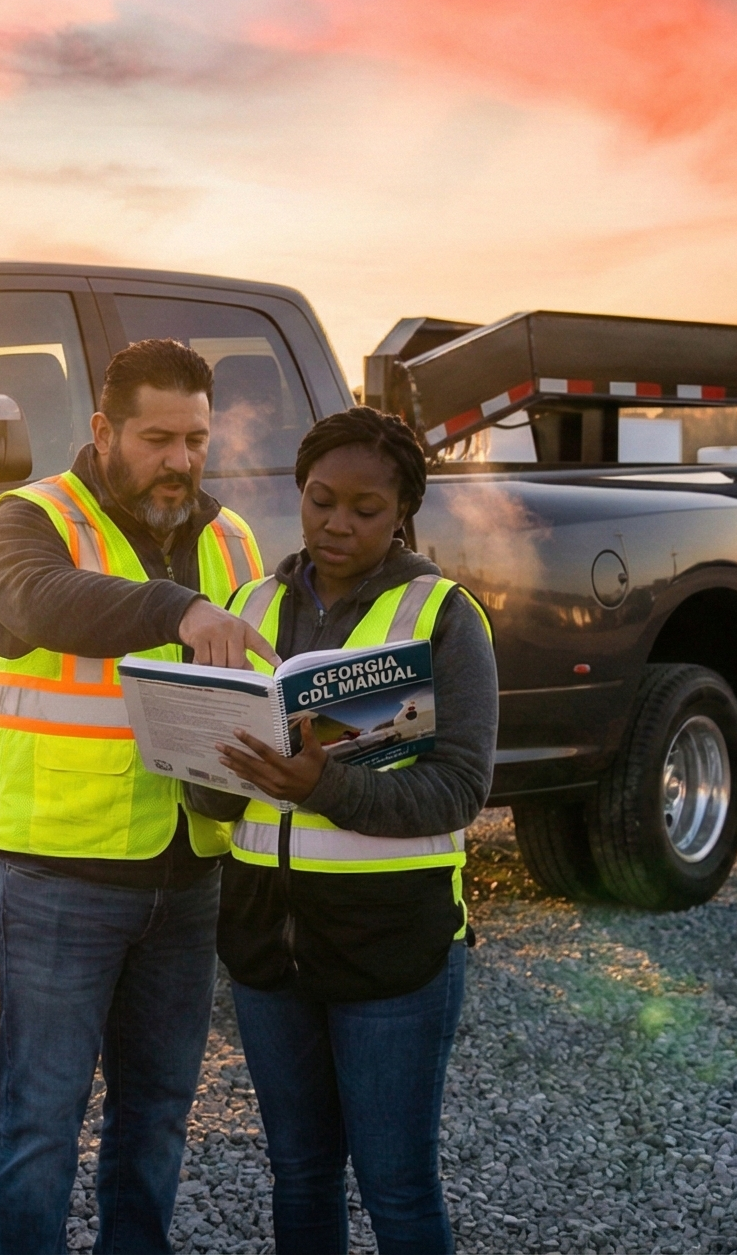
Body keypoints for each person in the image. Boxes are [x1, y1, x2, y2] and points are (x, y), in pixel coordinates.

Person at [0, 338, 275, 1254]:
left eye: (196, 438)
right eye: (156, 437)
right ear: (103, 430)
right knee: (39, 1129)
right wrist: (173, 609)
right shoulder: (25, 521)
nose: (180, 460)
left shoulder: (234, 539)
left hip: (190, 876)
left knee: (159, 1118)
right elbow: (39, 600)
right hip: (63, 873)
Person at [190, 406, 498, 1255]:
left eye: (365, 509)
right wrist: (198, 757)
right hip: (267, 939)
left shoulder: (441, 615)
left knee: (397, 1186)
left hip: (392, 942)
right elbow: (221, 799)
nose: (337, 523)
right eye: (321, 499)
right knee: (300, 1174)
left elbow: (460, 791)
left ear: (403, 511)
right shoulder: (248, 603)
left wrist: (325, 785)